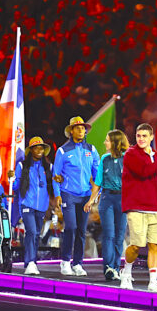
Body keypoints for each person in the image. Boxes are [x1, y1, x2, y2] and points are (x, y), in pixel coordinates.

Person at [120, 123, 157, 292]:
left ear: (151, 137)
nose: (141, 139)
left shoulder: (156, 155)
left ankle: (153, 282)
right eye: (139, 136)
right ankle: (126, 272)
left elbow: (152, 179)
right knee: (136, 245)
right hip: (136, 207)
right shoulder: (130, 153)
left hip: (156, 207)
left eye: (145, 136)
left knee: (154, 245)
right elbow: (144, 171)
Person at [52, 116, 100, 277]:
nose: (81, 130)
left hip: (85, 195)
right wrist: (58, 194)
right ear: (71, 131)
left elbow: (97, 175)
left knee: (81, 230)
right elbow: (55, 175)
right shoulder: (63, 151)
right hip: (68, 194)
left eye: (83, 128)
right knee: (71, 227)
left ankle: (78, 263)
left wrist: (96, 194)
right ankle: (65, 261)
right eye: (78, 128)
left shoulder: (92, 150)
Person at [84, 129, 129, 281]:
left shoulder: (127, 159)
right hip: (107, 199)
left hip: (123, 199)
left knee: (119, 235)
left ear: (116, 142)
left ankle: (116, 267)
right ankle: (109, 268)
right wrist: (91, 200)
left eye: (107, 140)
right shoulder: (104, 159)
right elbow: (98, 182)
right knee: (109, 235)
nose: (104, 143)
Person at [10, 137, 53, 275]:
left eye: (41, 148)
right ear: (31, 150)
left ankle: (30, 262)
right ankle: (30, 262)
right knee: (32, 232)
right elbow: (16, 186)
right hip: (26, 204)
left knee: (35, 235)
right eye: (36, 148)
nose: (39, 150)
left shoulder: (48, 167)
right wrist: (12, 179)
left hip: (42, 206)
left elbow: (54, 183)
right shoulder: (22, 166)